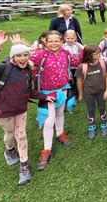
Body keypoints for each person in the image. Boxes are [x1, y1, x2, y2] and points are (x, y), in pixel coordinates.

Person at [0, 31, 55, 185]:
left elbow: (29, 91)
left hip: (21, 110)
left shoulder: (27, 72)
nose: (23, 59)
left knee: (21, 135)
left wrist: (44, 97)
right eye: (19, 56)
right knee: (10, 133)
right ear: (13, 57)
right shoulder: (1, 70)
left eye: (25, 55)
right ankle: (9, 150)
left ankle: (24, 167)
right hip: (2, 111)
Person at [30, 31, 82, 171]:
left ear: (62, 41)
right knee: (48, 119)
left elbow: (76, 62)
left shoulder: (65, 53)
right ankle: (47, 149)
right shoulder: (40, 54)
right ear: (45, 42)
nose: (54, 43)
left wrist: (84, 51)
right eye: (50, 41)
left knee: (60, 113)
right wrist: (21, 48)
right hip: (47, 93)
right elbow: (26, 61)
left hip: (62, 89)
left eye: (56, 41)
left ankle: (60, 133)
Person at [76, 45, 107, 140]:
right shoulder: (82, 67)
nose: (99, 55)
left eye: (99, 52)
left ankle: (103, 123)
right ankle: (92, 125)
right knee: (90, 109)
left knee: (102, 107)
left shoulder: (103, 63)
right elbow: (79, 81)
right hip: (88, 92)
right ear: (89, 55)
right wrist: (81, 94)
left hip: (101, 91)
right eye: (96, 54)